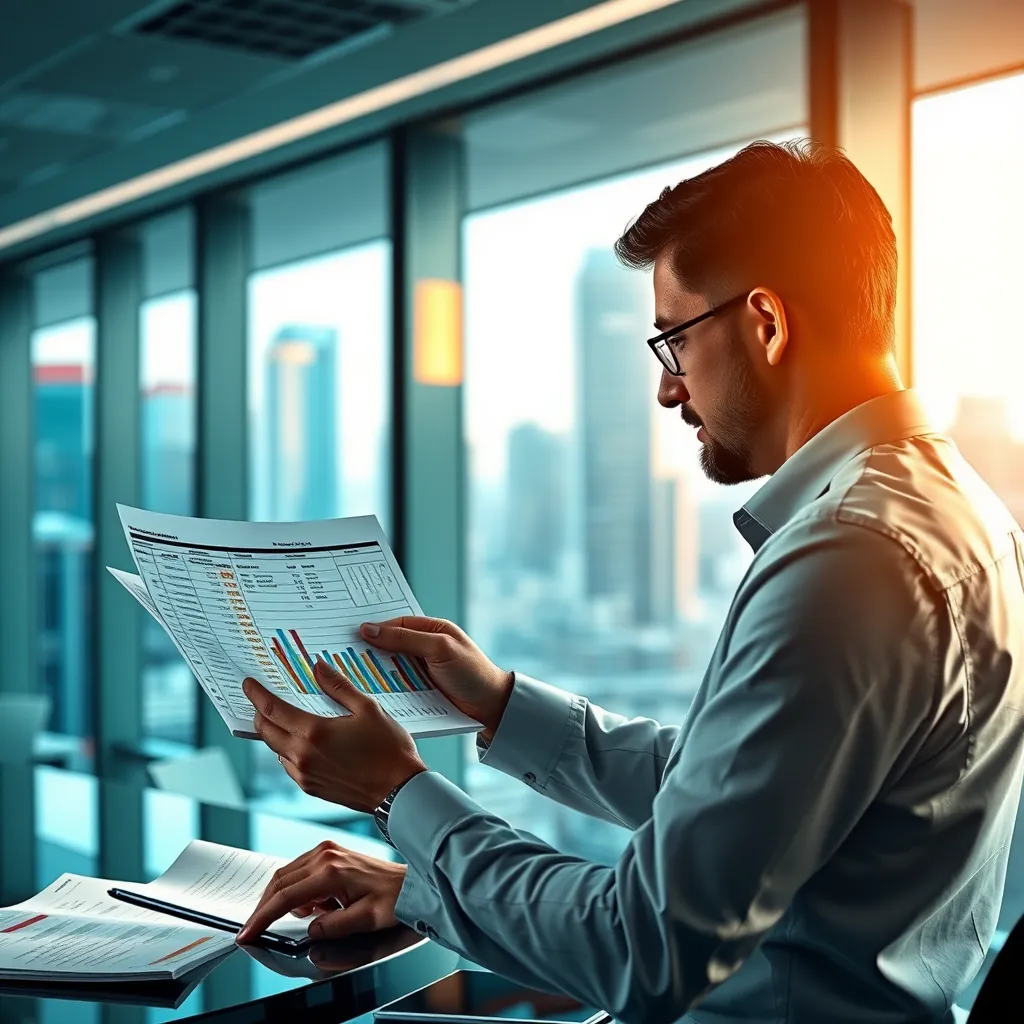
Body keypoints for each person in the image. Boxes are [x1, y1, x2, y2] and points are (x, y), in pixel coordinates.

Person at [235, 139, 1024, 1024]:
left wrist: (399, 792)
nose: (666, 390)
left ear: (766, 323)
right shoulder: (958, 510)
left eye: (675, 341)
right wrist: (501, 706)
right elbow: (738, 792)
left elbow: (644, 947)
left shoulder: (850, 559)